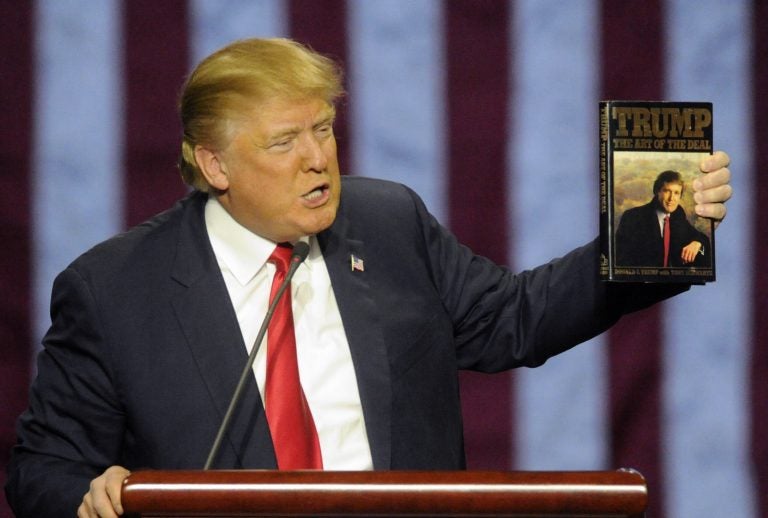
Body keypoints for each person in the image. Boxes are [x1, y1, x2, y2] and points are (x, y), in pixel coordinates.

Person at [5, 38, 733, 518]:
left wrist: (654, 244)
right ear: (214, 165)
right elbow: (44, 468)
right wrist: (88, 496)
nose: (318, 159)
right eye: (284, 142)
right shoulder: (114, 289)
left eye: (321, 128)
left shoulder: (388, 223)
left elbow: (517, 318)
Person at [615, 170, 711, 267]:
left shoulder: (677, 214)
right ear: (657, 192)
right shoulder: (632, 217)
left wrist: (697, 243)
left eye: (676, 193)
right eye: (667, 191)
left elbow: (701, 237)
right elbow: (620, 259)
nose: (671, 198)